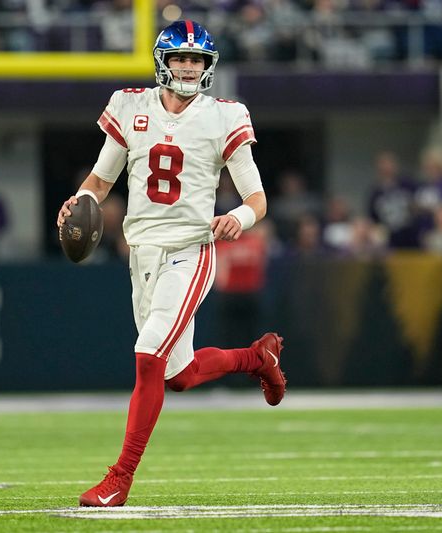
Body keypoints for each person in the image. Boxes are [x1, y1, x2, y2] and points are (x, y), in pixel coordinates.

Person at [56, 20, 286, 508]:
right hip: (142, 254)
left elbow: (258, 198)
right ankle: (256, 358)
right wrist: (76, 200)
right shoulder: (131, 106)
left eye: (197, 60)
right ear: (163, 61)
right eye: (180, 58)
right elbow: (100, 180)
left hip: (191, 251)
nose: (188, 67)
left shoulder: (224, 115)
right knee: (176, 375)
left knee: (147, 356)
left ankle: (119, 479)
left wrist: (238, 219)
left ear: (208, 66)